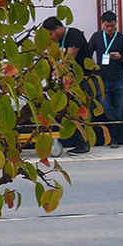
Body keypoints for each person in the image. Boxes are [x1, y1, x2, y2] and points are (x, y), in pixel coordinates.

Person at [42, 16, 93, 154]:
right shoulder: (57, 42)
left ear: (58, 28)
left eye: (51, 34)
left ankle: (84, 143)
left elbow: (69, 59)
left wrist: (56, 70)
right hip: (69, 80)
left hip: (83, 80)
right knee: (70, 111)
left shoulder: (74, 35)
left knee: (81, 111)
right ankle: (77, 141)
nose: (51, 38)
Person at [88, 11, 123, 148]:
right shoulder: (96, 37)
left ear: (116, 24)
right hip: (101, 79)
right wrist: (91, 68)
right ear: (102, 24)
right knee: (106, 107)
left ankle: (114, 139)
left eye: (113, 26)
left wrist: (120, 57)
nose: (110, 29)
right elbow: (88, 53)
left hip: (118, 78)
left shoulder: (122, 39)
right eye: (107, 26)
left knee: (118, 109)